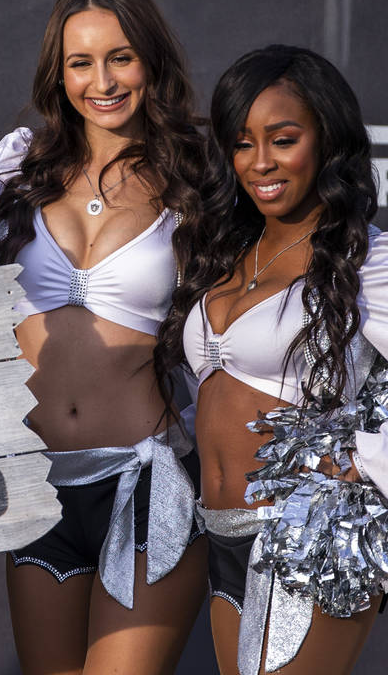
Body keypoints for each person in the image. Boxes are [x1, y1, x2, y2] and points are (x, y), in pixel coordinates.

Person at [0, 0, 208, 673]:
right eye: (81, 62)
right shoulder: (14, 172)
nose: (103, 80)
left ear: (150, 60)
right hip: (38, 487)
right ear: (59, 73)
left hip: (145, 482)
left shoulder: (196, 180)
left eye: (121, 57)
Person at [157, 45, 388, 675]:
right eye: (242, 142)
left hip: (312, 537)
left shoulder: (365, 260)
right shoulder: (227, 252)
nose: (261, 162)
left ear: (327, 140)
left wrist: (360, 466)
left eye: (283, 139)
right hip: (223, 534)